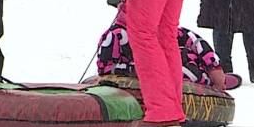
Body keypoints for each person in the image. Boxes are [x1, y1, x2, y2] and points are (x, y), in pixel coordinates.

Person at [96, 16, 241, 92]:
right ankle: (206, 80)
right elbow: (105, 68)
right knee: (177, 69)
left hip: (178, 58)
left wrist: (213, 66)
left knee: (182, 55)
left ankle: (213, 76)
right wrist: (136, 68)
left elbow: (190, 38)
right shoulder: (117, 35)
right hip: (151, 69)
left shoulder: (159, 28)